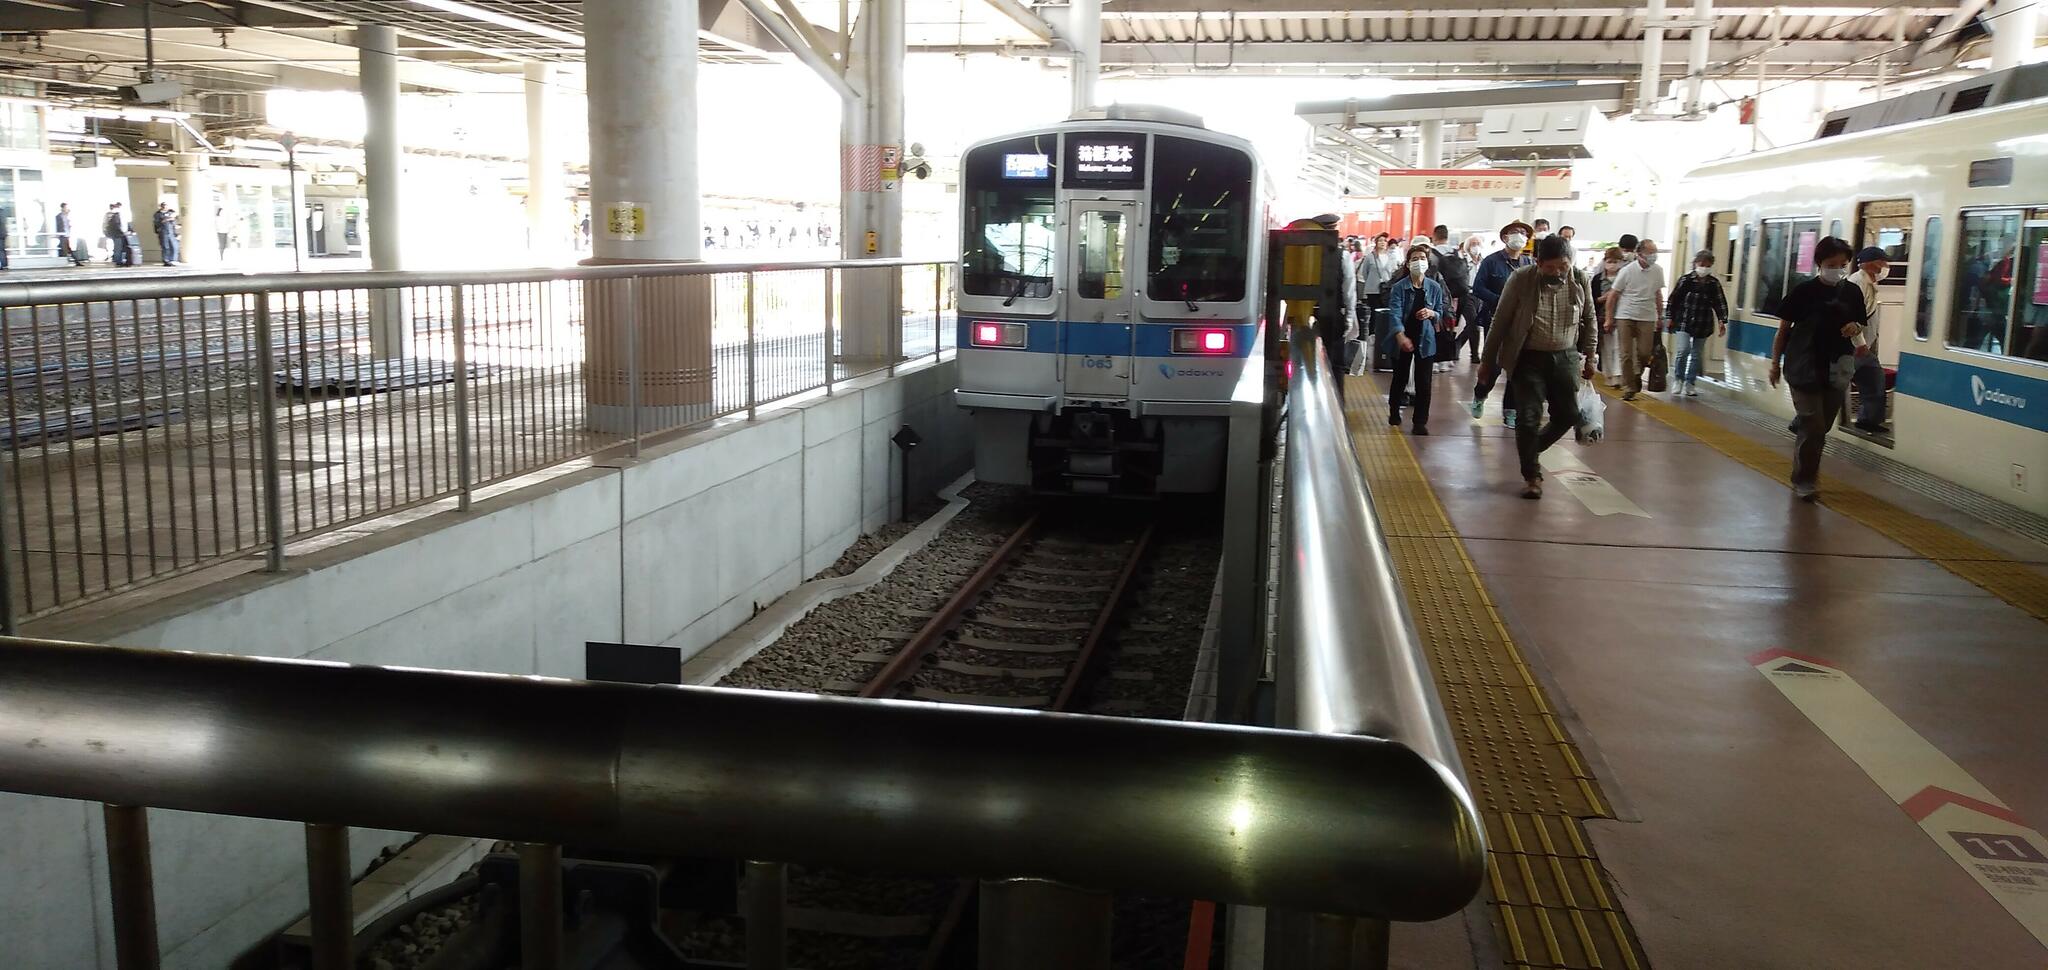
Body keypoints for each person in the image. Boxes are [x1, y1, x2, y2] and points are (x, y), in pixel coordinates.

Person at [1479, 235, 1598, 499]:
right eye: (1551, 267)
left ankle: (1531, 449)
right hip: (1527, 358)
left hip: (1565, 356)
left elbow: (1590, 318)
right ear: (1538, 262)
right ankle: (1532, 476)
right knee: (1528, 418)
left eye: (1563, 266)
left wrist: (1591, 356)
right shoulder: (1521, 279)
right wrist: (1487, 361)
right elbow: (1500, 321)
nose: (1557, 272)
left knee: (1568, 414)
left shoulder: (1579, 279)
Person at [1769, 236, 1866, 501]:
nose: (1837, 269)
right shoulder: (1803, 292)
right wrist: (1775, 363)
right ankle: (1805, 480)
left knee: (1821, 425)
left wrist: (1855, 328)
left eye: (1843, 264)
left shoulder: (1852, 292)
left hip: (1838, 368)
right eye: (1831, 263)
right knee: (1814, 428)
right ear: (1819, 263)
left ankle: (1802, 420)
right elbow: (1782, 332)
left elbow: (1859, 323)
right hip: (1803, 366)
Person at [1468, 221, 1535, 426]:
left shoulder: (1529, 264)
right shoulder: (1491, 261)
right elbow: (1478, 288)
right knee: (1494, 366)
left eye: (1523, 233)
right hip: (1495, 319)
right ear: (1505, 237)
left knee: (1517, 368)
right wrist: (1501, 301)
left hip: (1521, 323)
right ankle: (1480, 394)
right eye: (1515, 232)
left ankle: (1510, 411)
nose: (1519, 236)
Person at [1384, 244, 1450, 435]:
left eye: (1422, 258)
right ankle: (1394, 412)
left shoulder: (1435, 287)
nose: (1419, 262)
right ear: (1407, 263)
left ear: (1427, 263)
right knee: (1400, 378)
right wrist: (1400, 336)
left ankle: (1420, 421)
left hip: (1425, 339)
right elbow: (1394, 313)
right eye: (1414, 258)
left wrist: (1431, 313)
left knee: (1424, 382)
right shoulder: (1399, 288)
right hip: (1403, 338)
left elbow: (1440, 312)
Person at [1603, 238, 1666, 400]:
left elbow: (1658, 294)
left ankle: (1637, 373)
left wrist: (1660, 316)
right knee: (1626, 353)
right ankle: (1629, 387)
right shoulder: (1627, 271)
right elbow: (1613, 295)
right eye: (1650, 253)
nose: (1653, 256)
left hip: (1647, 316)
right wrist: (1609, 319)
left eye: (1655, 253)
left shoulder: (1658, 270)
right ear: (1639, 254)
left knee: (1645, 352)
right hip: (1625, 315)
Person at [1665, 249, 1728, 397]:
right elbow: (1673, 299)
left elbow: (1719, 303)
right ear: (1695, 264)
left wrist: (1722, 320)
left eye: (1707, 265)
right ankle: (1678, 379)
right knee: (1683, 349)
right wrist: (1669, 317)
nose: (1704, 267)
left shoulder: (1713, 283)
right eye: (1701, 264)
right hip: (1684, 321)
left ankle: (1690, 382)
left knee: (1697, 353)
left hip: (1703, 322)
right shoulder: (1686, 280)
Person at [1849, 246, 1890, 430]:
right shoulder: (1857, 282)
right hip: (1854, 345)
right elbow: (1851, 316)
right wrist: (1860, 344)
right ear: (1870, 263)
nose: (1885, 265)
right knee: (1873, 378)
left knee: (1873, 379)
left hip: (1864, 344)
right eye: (1881, 261)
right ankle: (1804, 420)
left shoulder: (1870, 282)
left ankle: (1868, 419)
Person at [1433, 224, 1472, 373]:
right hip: (1456, 296)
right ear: (1447, 236)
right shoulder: (1457, 253)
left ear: (1435, 236)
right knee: (1451, 326)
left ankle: (1436, 360)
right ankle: (1447, 359)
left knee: (1437, 326)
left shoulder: (1432, 253)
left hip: (1439, 295)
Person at [1591, 246, 1626, 386]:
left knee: (1619, 346)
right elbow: (1592, 300)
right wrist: (1604, 298)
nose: (1612, 264)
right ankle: (1609, 375)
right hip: (1602, 317)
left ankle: (1618, 376)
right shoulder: (1598, 279)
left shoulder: (1624, 277)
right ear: (1605, 261)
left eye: (1616, 261)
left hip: (1622, 316)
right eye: (1610, 261)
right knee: (1606, 347)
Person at [1358, 233, 1397, 315]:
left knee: (1386, 312)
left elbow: (1394, 272)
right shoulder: (1369, 257)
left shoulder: (1391, 257)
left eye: (1385, 241)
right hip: (1373, 290)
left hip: (1387, 289)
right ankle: (1373, 328)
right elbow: (1365, 273)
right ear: (1376, 242)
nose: (1383, 243)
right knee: (1374, 313)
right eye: (1380, 241)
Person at [104, 203, 133, 267]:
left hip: (118, 233)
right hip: (119, 234)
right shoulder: (117, 214)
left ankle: (120, 261)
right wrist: (124, 231)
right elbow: (119, 225)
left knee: (120, 247)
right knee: (119, 248)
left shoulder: (112, 214)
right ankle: (118, 261)